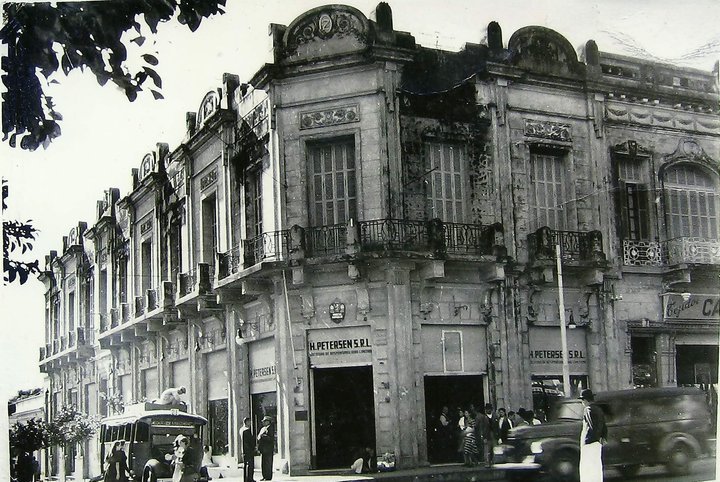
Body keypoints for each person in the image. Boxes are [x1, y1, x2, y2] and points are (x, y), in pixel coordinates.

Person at [578, 389, 607, 482]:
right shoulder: (598, 409)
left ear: (585, 400)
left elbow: (592, 426)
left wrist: (592, 438)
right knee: (596, 467)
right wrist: (602, 437)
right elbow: (603, 425)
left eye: (582, 400)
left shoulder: (588, 409)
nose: (582, 403)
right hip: (597, 443)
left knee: (587, 469)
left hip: (589, 443)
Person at [475, 403, 496, 468]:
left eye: (489, 409)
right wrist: (483, 436)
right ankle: (487, 463)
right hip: (487, 435)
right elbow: (482, 427)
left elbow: (497, 427)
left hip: (494, 435)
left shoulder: (495, 417)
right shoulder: (483, 417)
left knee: (494, 449)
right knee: (487, 450)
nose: (488, 410)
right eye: (487, 409)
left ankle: (494, 462)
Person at [257, 416, 275, 481]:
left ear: (268, 421)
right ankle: (264, 476)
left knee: (268, 463)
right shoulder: (263, 428)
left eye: (265, 421)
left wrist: (263, 436)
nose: (264, 422)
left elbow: (270, 438)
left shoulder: (270, 428)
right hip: (263, 449)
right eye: (263, 421)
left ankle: (268, 476)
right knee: (263, 463)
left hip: (268, 449)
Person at [240, 417, 256, 482]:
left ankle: (246, 479)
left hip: (244, 450)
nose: (250, 423)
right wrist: (253, 447)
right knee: (250, 465)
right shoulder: (246, 430)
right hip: (249, 450)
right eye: (249, 421)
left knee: (245, 465)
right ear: (246, 422)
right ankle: (250, 479)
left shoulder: (241, 430)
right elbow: (249, 441)